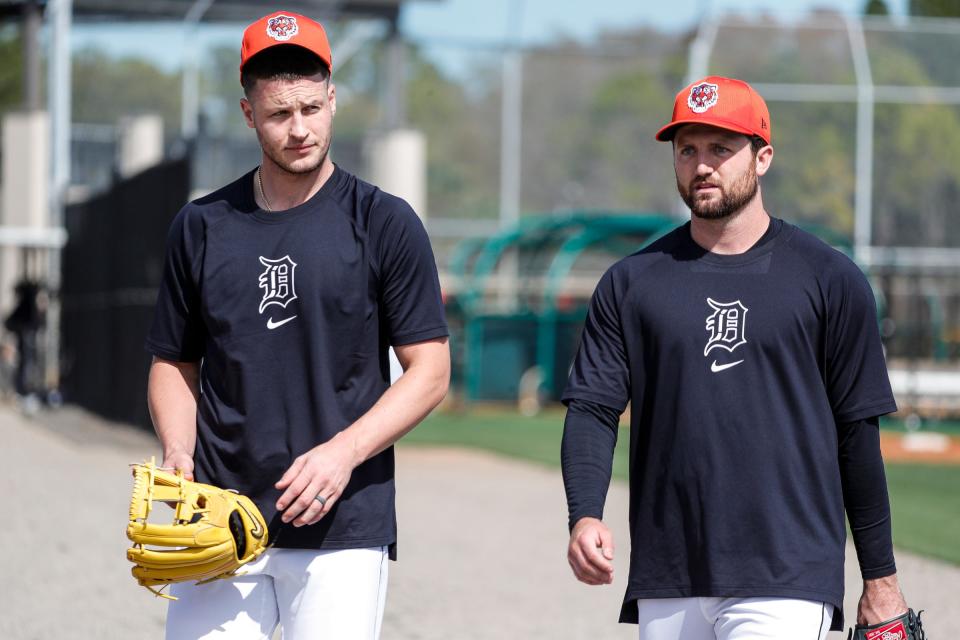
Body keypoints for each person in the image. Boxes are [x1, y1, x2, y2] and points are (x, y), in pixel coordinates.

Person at [560, 75, 910, 639]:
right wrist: (584, 513)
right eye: (688, 150)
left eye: (721, 149)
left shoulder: (828, 279)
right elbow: (593, 409)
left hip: (787, 573)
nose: (702, 165)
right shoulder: (632, 283)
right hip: (669, 572)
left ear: (763, 156)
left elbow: (857, 434)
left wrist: (881, 580)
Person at [145, 10, 449, 639]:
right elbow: (173, 362)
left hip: (343, 522)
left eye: (312, 108)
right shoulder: (201, 226)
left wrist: (344, 453)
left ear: (333, 99)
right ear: (248, 113)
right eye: (280, 114)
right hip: (220, 517)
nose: (300, 129)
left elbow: (430, 371)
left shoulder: (385, 222)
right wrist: (178, 449)